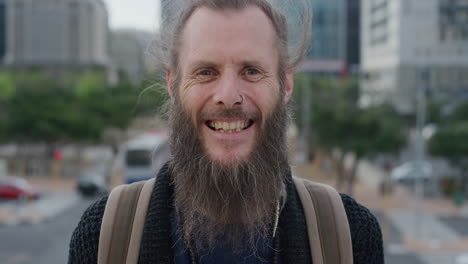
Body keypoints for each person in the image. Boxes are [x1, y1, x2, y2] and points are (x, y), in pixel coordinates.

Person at [68, 0, 384, 263]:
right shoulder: (102, 237)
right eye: (206, 72)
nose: (229, 95)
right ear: (173, 84)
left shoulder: (352, 237)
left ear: (285, 84)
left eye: (251, 71)